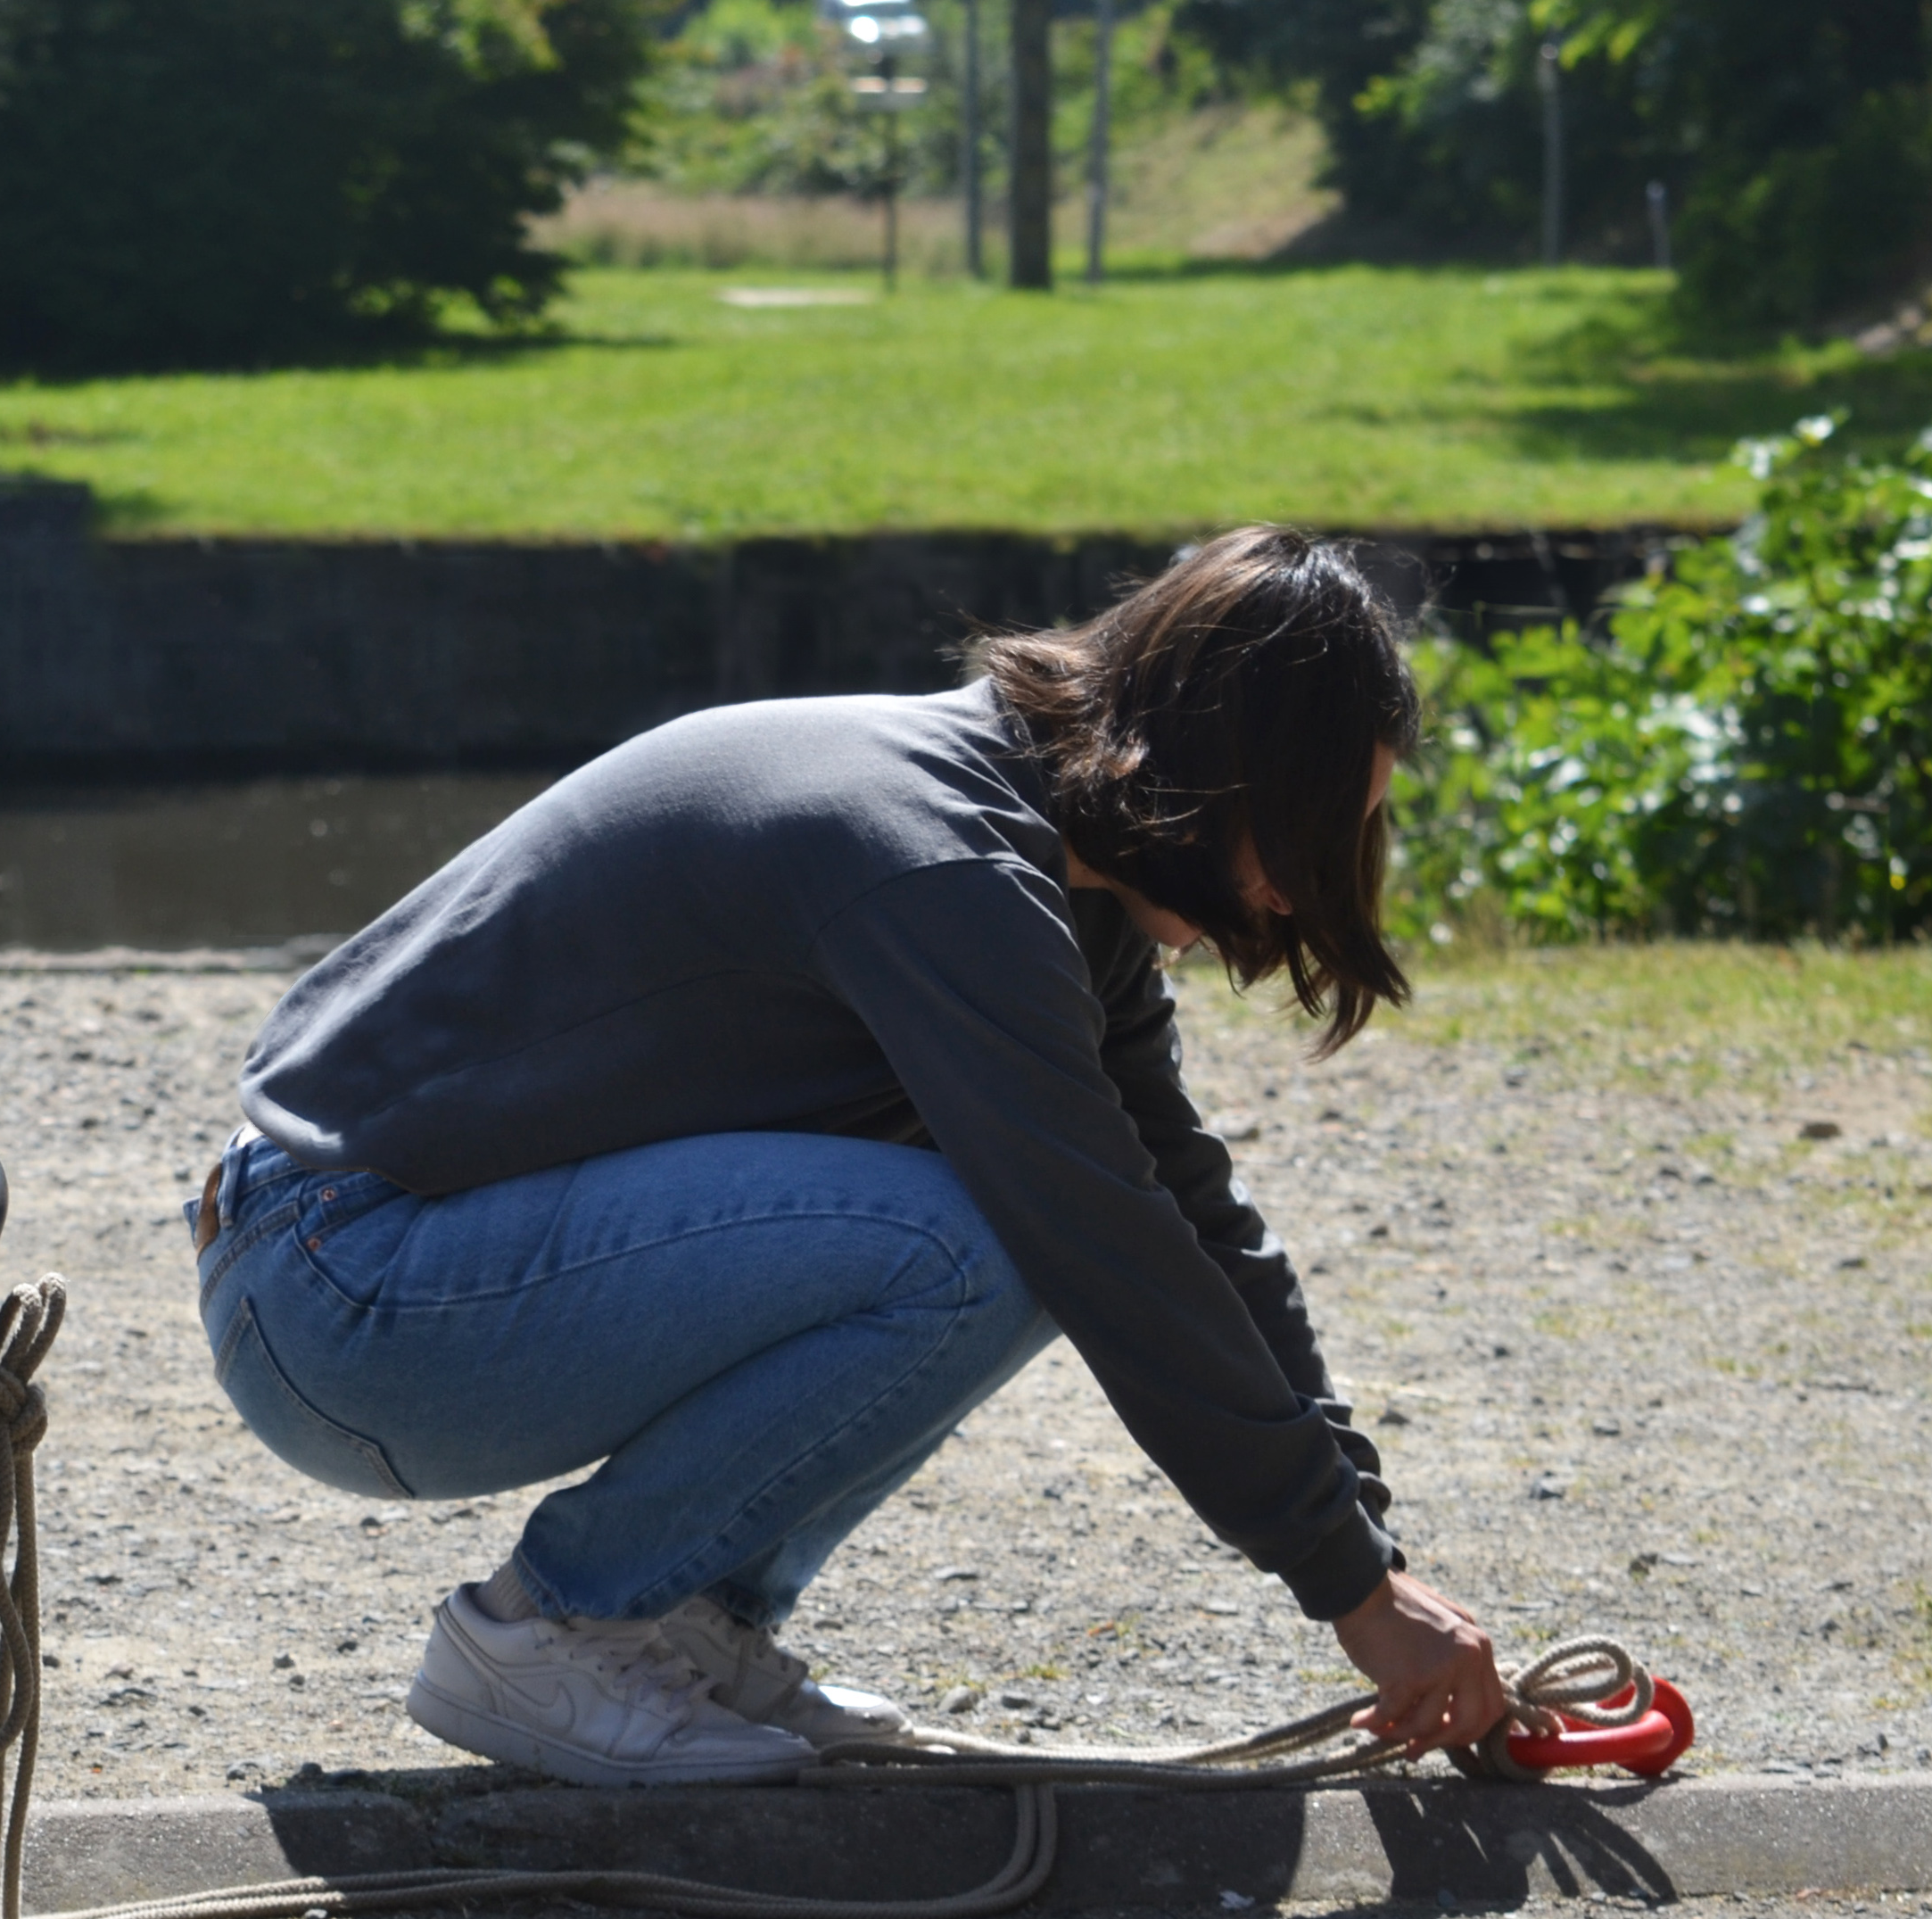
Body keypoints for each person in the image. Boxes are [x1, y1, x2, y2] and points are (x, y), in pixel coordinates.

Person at [183, 525, 1515, 1787]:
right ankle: (553, 1635)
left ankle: (684, 1626)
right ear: (1208, 764)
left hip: (373, 1271)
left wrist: (1370, 1549)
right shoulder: (939, 864)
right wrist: (1346, 1590)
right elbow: (1104, 1245)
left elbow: (1190, 1218)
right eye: (1300, 829)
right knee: (986, 1240)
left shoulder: (1053, 870)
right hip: (339, 1284)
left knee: (1016, 1229)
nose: (1298, 887)